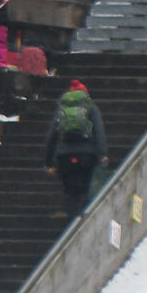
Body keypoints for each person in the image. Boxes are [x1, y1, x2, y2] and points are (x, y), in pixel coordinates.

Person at [45, 79, 108, 220]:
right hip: (87, 154)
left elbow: (52, 136)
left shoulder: (62, 109)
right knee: (84, 188)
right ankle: (82, 220)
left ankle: (71, 219)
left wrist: (48, 161)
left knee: (69, 190)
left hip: (65, 155)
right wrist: (103, 153)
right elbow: (99, 131)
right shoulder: (91, 107)